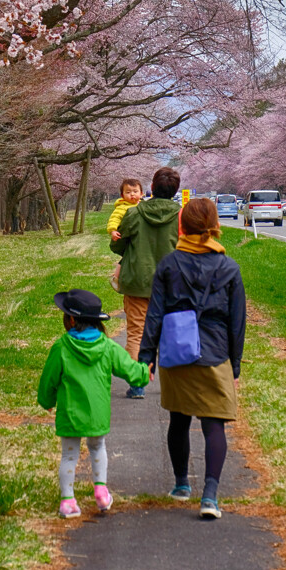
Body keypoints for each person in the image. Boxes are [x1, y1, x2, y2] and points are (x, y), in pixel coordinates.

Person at [138, 197, 246, 519]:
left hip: (177, 350)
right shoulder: (228, 267)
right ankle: (210, 496)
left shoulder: (169, 264)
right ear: (215, 226)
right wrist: (235, 363)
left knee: (179, 419)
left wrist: (147, 357)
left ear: (181, 226)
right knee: (214, 425)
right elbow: (237, 321)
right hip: (214, 353)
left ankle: (182, 484)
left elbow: (154, 314)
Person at [37, 288, 151, 518]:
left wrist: (46, 401)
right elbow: (128, 370)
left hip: (70, 413)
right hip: (97, 413)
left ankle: (67, 501)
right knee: (98, 447)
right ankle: (100, 490)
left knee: (69, 455)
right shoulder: (107, 347)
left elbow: (48, 380)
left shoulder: (61, 347)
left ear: (70, 319)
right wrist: (143, 373)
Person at [110, 166, 180, 398]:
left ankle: (137, 384)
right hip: (172, 285)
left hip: (138, 282)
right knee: (171, 332)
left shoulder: (134, 214)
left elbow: (117, 245)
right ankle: (173, 385)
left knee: (137, 332)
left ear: (151, 187)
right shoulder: (182, 215)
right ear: (176, 190)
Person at [106, 178, 144, 290]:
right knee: (125, 258)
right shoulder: (121, 208)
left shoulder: (143, 206)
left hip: (139, 236)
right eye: (128, 192)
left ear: (141, 194)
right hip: (127, 237)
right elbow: (114, 219)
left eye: (135, 191)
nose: (132, 194)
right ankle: (116, 278)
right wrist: (113, 230)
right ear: (122, 195)